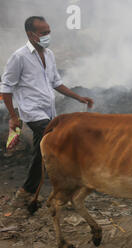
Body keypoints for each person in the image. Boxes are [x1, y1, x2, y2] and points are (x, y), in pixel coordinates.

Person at [1, 16, 94, 209]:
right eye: (43, 33)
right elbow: (6, 88)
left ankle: (27, 192)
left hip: (48, 111)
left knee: (41, 150)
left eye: (49, 31)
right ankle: (64, 188)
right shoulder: (19, 57)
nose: (47, 36)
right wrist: (13, 116)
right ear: (31, 34)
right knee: (53, 141)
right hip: (32, 112)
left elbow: (56, 83)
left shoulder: (49, 55)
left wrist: (78, 98)